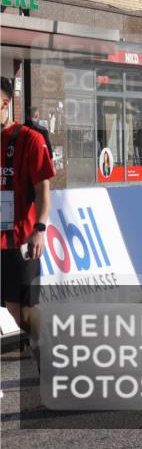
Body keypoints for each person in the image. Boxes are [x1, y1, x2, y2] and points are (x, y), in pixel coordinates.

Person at [1, 77, 55, 361]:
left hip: (20, 239)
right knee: (12, 308)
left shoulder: (30, 139)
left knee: (21, 311)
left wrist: (40, 228)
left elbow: (43, 189)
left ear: (5, 102)